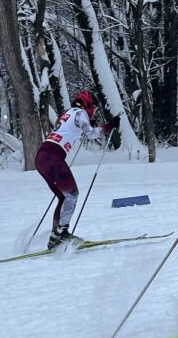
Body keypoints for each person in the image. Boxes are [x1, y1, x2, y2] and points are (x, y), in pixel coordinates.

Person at [35, 91, 120, 249]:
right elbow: (91, 134)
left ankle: (56, 236)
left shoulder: (67, 113)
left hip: (41, 157)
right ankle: (61, 234)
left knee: (63, 196)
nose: (94, 111)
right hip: (53, 157)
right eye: (93, 107)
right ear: (87, 103)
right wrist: (110, 126)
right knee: (72, 193)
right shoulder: (81, 113)